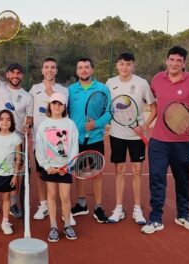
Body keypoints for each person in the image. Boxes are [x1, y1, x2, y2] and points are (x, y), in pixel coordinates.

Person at [141, 46, 189, 234]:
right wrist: (145, 124)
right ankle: (155, 219)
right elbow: (152, 104)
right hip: (158, 142)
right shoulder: (157, 79)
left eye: (178, 61)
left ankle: (183, 215)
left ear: (184, 63)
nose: (174, 63)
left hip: (183, 144)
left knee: (182, 180)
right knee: (157, 179)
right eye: (171, 59)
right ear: (166, 61)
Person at [0, 39, 33, 219]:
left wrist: (28, 125)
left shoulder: (27, 97)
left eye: (18, 73)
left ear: (22, 76)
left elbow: (29, 119)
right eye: (12, 72)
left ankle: (13, 202)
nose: (15, 75)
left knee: (15, 172)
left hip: (16, 141)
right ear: (7, 74)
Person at [105, 52, 157, 224]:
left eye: (128, 64)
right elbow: (107, 109)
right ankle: (118, 208)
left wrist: (144, 126)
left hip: (137, 136)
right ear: (117, 65)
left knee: (137, 171)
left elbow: (154, 107)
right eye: (121, 64)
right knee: (119, 171)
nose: (125, 67)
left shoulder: (141, 83)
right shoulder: (110, 83)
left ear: (133, 65)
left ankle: (137, 209)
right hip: (117, 134)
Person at [68, 57, 111, 223]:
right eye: (80, 67)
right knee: (78, 173)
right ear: (77, 71)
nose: (84, 70)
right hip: (75, 140)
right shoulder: (70, 90)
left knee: (96, 174)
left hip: (95, 139)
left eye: (87, 67)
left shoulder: (102, 89)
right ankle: (81, 204)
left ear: (92, 70)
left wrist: (96, 124)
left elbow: (109, 112)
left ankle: (98, 207)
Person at [29, 57, 70, 223]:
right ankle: (44, 204)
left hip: (59, 142)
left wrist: (48, 88)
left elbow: (60, 106)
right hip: (40, 142)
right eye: (46, 67)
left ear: (56, 71)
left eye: (53, 67)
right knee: (41, 173)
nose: (49, 70)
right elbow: (30, 113)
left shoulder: (63, 90)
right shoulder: (34, 89)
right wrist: (27, 124)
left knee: (61, 174)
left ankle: (65, 210)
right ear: (42, 70)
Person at [35, 93, 79, 242]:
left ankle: (67, 225)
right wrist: (47, 167)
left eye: (60, 104)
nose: (57, 106)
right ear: (50, 105)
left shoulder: (70, 124)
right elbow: (39, 147)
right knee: (51, 196)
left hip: (65, 168)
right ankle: (53, 226)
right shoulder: (43, 125)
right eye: (54, 103)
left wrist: (69, 166)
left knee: (65, 197)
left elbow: (74, 146)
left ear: (64, 107)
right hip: (50, 168)